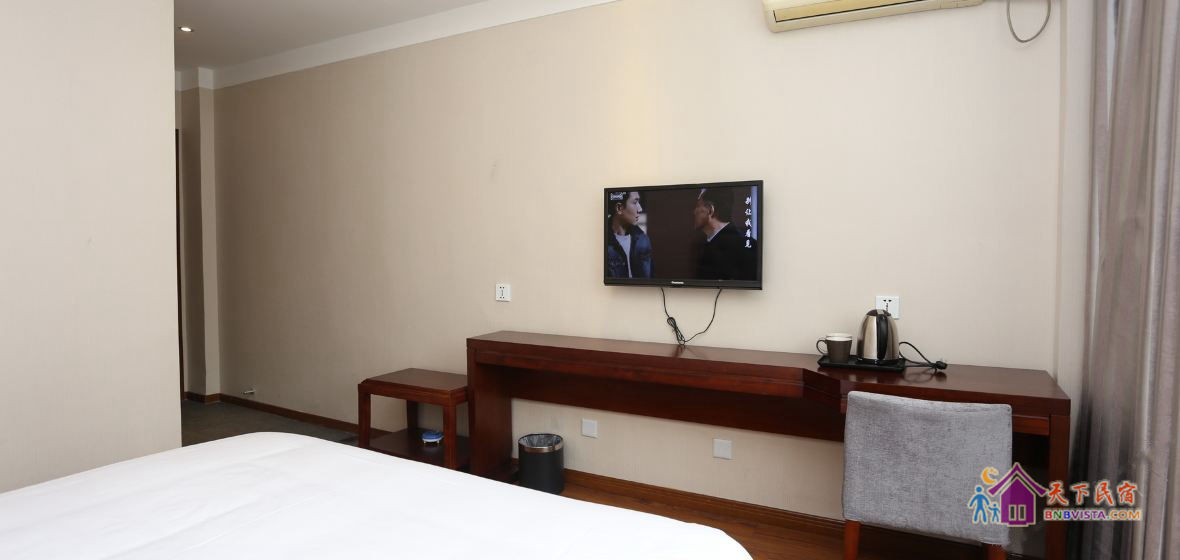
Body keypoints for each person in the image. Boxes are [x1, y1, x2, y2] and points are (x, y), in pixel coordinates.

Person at [693, 189, 756, 280]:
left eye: (698, 206)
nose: (694, 212)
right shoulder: (705, 246)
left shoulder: (746, 246)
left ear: (710, 210)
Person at [605, 191, 652, 278]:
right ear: (619, 208)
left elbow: (649, 278)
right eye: (635, 202)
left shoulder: (642, 239)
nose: (640, 209)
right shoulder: (604, 242)